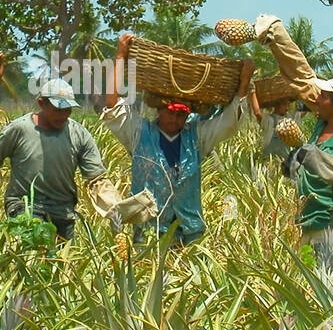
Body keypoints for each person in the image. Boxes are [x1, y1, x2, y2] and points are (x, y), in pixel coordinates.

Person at [101, 33, 253, 246]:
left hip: (189, 231)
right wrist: (120, 57)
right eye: (170, 112)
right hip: (147, 229)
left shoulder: (197, 137)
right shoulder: (138, 133)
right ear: (158, 110)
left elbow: (229, 122)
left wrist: (243, 83)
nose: (174, 118)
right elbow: (112, 106)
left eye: (181, 114)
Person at [0, 77, 152, 241]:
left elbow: (96, 179)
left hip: (63, 210)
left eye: (67, 109)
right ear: (41, 103)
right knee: (31, 257)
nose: (63, 115)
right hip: (24, 205)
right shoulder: (19, 129)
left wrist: (116, 207)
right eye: (58, 109)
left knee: (59, 267)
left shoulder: (79, 134)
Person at [250, 14, 333, 263]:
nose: (316, 99)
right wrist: (276, 36)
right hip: (309, 223)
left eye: (324, 96)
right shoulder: (320, 127)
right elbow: (303, 79)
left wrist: (315, 158)